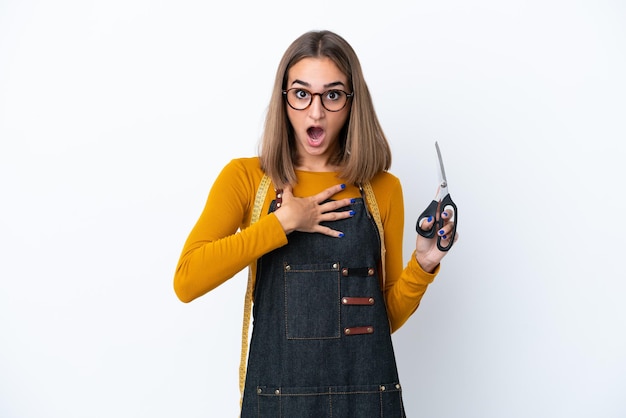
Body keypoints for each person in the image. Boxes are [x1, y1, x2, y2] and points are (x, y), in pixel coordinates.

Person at [173, 29, 457, 417]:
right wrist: (283, 222)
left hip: (365, 404)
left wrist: (423, 265)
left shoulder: (382, 189)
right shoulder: (246, 179)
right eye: (302, 93)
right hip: (278, 403)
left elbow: (379, 321)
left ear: (352, 102)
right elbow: (187, 280)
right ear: (284, 98)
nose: (316, 112)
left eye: (333, 95)